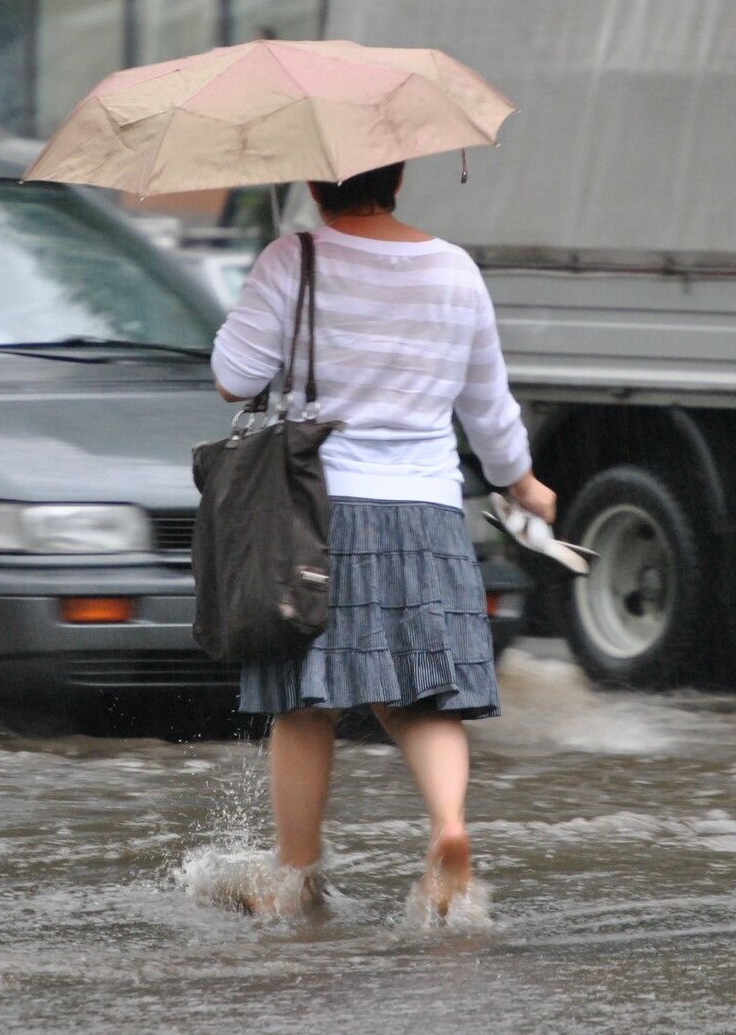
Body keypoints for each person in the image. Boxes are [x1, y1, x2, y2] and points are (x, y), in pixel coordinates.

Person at [210, 160, 556, 917]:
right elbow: (488, 405)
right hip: (429, 511)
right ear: (397, 174)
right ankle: (450, 829)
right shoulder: (455, 270)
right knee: (427, 699)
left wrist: (261, 296)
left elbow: (234, 378)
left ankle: (295, 878)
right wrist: (523, 485)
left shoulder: (289, 259)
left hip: (318, 510)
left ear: (314, 184)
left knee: (306, 705)